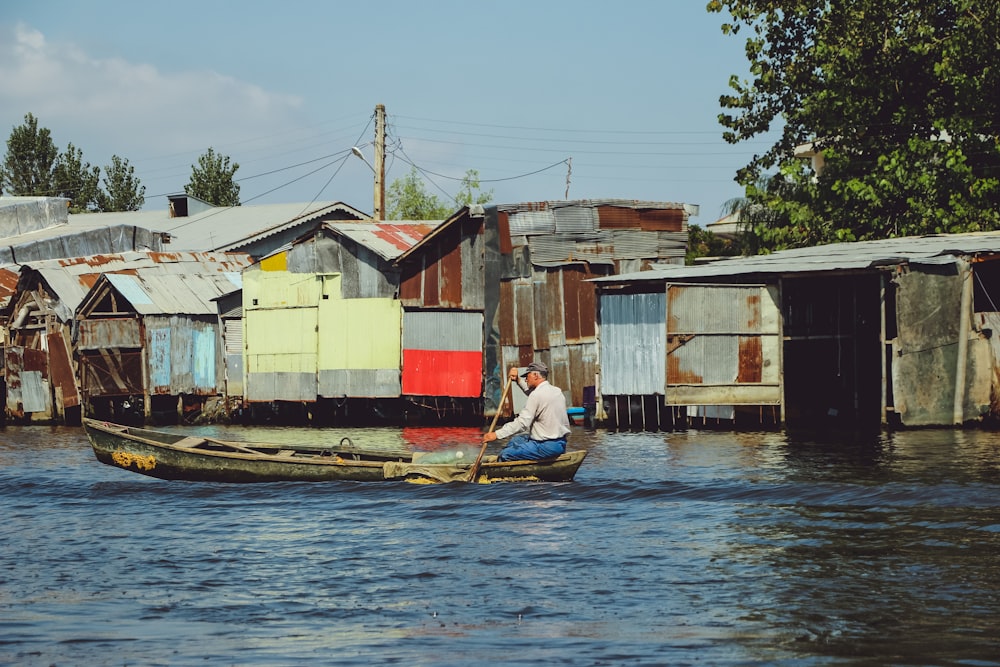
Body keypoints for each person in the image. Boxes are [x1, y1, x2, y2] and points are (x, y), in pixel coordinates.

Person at [482, 361, 571, 461]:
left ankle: (506, 464)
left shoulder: (536, 395)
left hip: (546, 446)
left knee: (506, 454)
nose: (526, 379)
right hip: (560, 443)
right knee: (516, 440)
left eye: (527, 376)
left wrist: (496, 435)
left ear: (536, 375)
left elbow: (522, 423)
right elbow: (532, 393)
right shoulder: (556, 391)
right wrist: (518, 380)